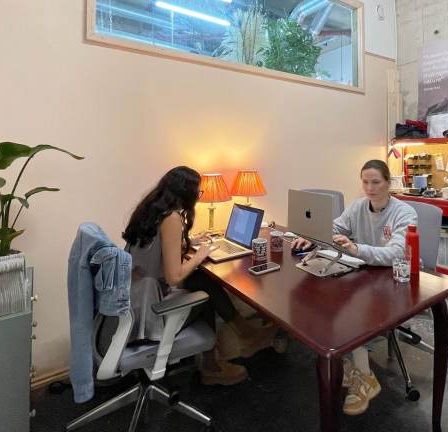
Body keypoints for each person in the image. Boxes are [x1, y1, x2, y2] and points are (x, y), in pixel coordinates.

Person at [123, 166, 275, 386]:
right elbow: (174, 277)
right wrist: (199, 255)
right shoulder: (171, 218)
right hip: (148, 312)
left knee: (200, 280)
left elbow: (155, 250)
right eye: (198, 192)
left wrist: (189, 242)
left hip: (135, 297)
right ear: (186, 193)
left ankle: (239, 339)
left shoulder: (151, 210)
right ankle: (219, 360)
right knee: (204, 292)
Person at [292, 159, 417, 415]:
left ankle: (364, 376)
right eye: (365, 182)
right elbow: (336, 226)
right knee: (326, 300)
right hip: (367, 274)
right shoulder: (359, 206)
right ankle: (355, 366)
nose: (370, 188)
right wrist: (314, 235)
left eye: (376, 182)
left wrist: (357, 249)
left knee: (352, 312)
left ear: (388, 183)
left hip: (396, 279)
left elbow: (397, 253)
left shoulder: (404, 212)